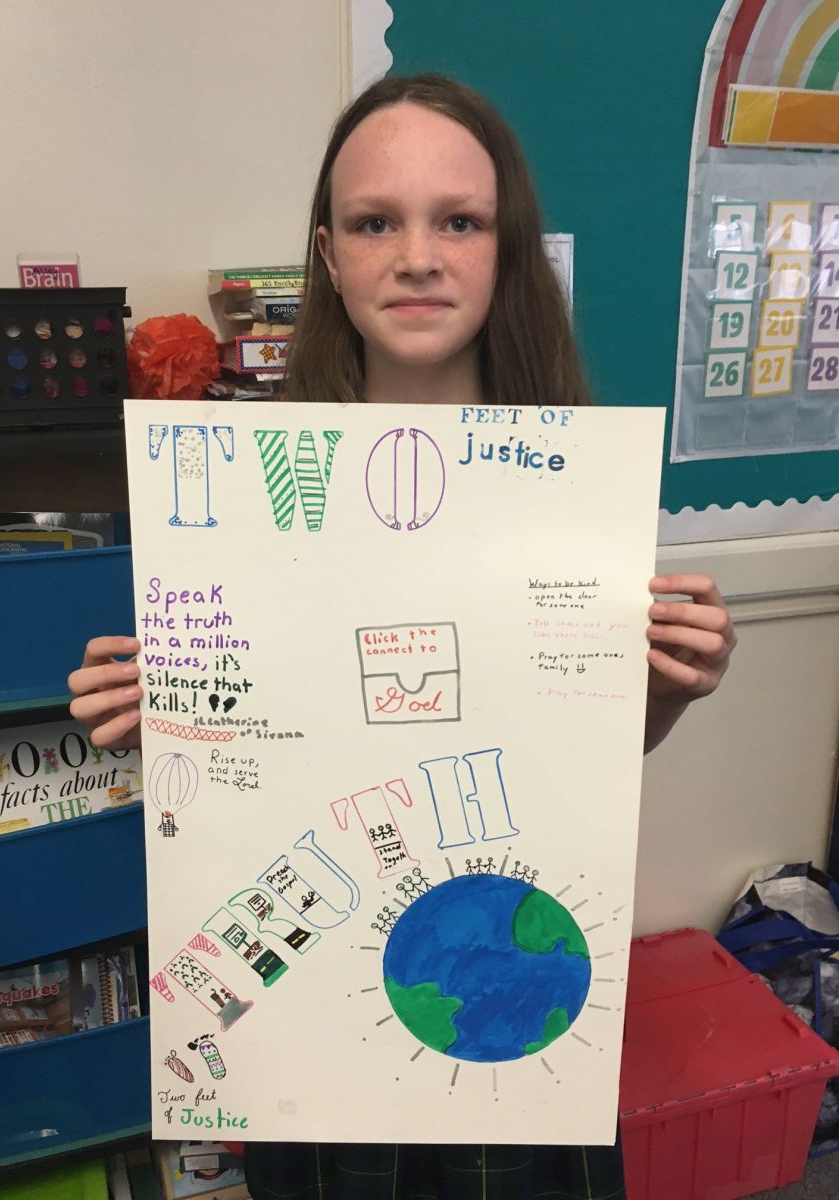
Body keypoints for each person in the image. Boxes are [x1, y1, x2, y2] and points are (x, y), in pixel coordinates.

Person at [69, 74, 737, 1200]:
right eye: (377, 222)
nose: (416, 255)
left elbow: (574, 757)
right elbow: (260, 768)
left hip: (506, 993)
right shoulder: (246, 492)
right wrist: (165, 719)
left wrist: (670, 684)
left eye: (457, 221)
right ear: (329, 255)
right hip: (319, 1038)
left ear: (503, 247)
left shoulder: (572, 484)